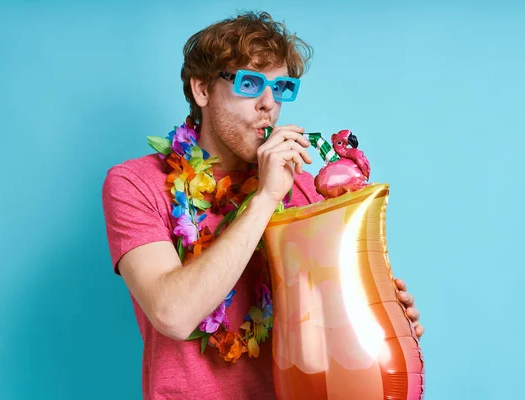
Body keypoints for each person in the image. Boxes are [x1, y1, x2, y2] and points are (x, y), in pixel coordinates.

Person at [102, 10, 424, 400]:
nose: (268, 104)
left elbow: (329, 323)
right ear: (202, 89)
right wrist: (266, 197)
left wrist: (380, 314)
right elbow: (173, 313)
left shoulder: (307, 192)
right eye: (250, 83)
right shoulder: (136, 184)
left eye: (282, 87)